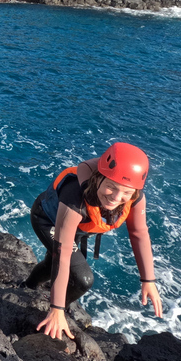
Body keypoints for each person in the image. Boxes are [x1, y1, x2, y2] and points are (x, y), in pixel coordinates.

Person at [27, 142, 163, 340]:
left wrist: (148, 280)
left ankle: (27, 287)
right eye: (111, 187)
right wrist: (57, 308)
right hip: (48, 221)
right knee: (82, 280)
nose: (116, 197)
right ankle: (54, 312)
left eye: (126, 192)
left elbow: (139, 233)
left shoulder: (134, 197)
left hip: (77, 229)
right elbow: (62, 253)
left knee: (52, 266)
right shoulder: (76, 197)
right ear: (99, 178)